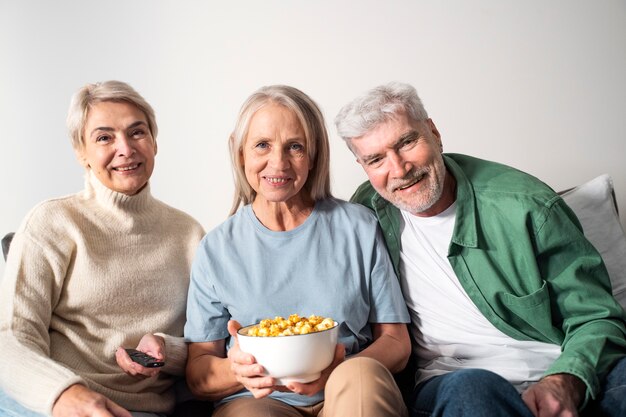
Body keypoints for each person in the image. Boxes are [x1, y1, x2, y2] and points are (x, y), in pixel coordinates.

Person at [334, 81, 626, 417]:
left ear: (434, 132)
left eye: (407, 142)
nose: (399, 169)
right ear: (362, 166)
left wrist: (566, 379)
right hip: (453, 383)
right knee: (474, 388)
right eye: (376, 159)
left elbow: (595, 316)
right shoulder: (365, 214)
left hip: (558, 366)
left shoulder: (526, 206)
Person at [184, 85, 411, 417]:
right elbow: (198, 372)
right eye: (262, 145)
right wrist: (237, 372)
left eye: (295, 147)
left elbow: (397, 342)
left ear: (314, 154)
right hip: (258, 402)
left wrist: (335, 371)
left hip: (346, 389)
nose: (278, 163)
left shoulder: (359, 227)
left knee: (360, 377)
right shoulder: (216, 249)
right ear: (241, 153)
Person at [0, 81, 207, 417]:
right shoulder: (51, 222)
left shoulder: (189, 235)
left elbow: (207, 349)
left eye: (137, 132)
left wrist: (166, 350)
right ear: (81, 152)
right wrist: (65, 395)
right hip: (53, 404)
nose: (125, 148)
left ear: (154, 141)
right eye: (104, 137)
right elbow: (11, 339)